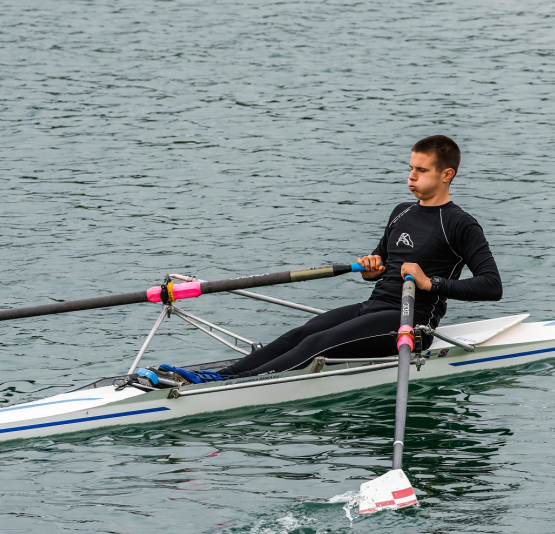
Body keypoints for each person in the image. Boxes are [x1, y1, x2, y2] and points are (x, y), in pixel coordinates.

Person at [152, 135, 502, 385]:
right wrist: (372, 268)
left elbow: (491, 285)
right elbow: (382, 261)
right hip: (375, 307)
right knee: (300, 334)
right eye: (410, 168)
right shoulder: (401, 212)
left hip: (413, 323)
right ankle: (223, 375)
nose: (411, 177)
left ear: (446, 175)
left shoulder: (460, 223)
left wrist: (430, 283)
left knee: (316, 345)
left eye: (421, 170)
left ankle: (223, 387)